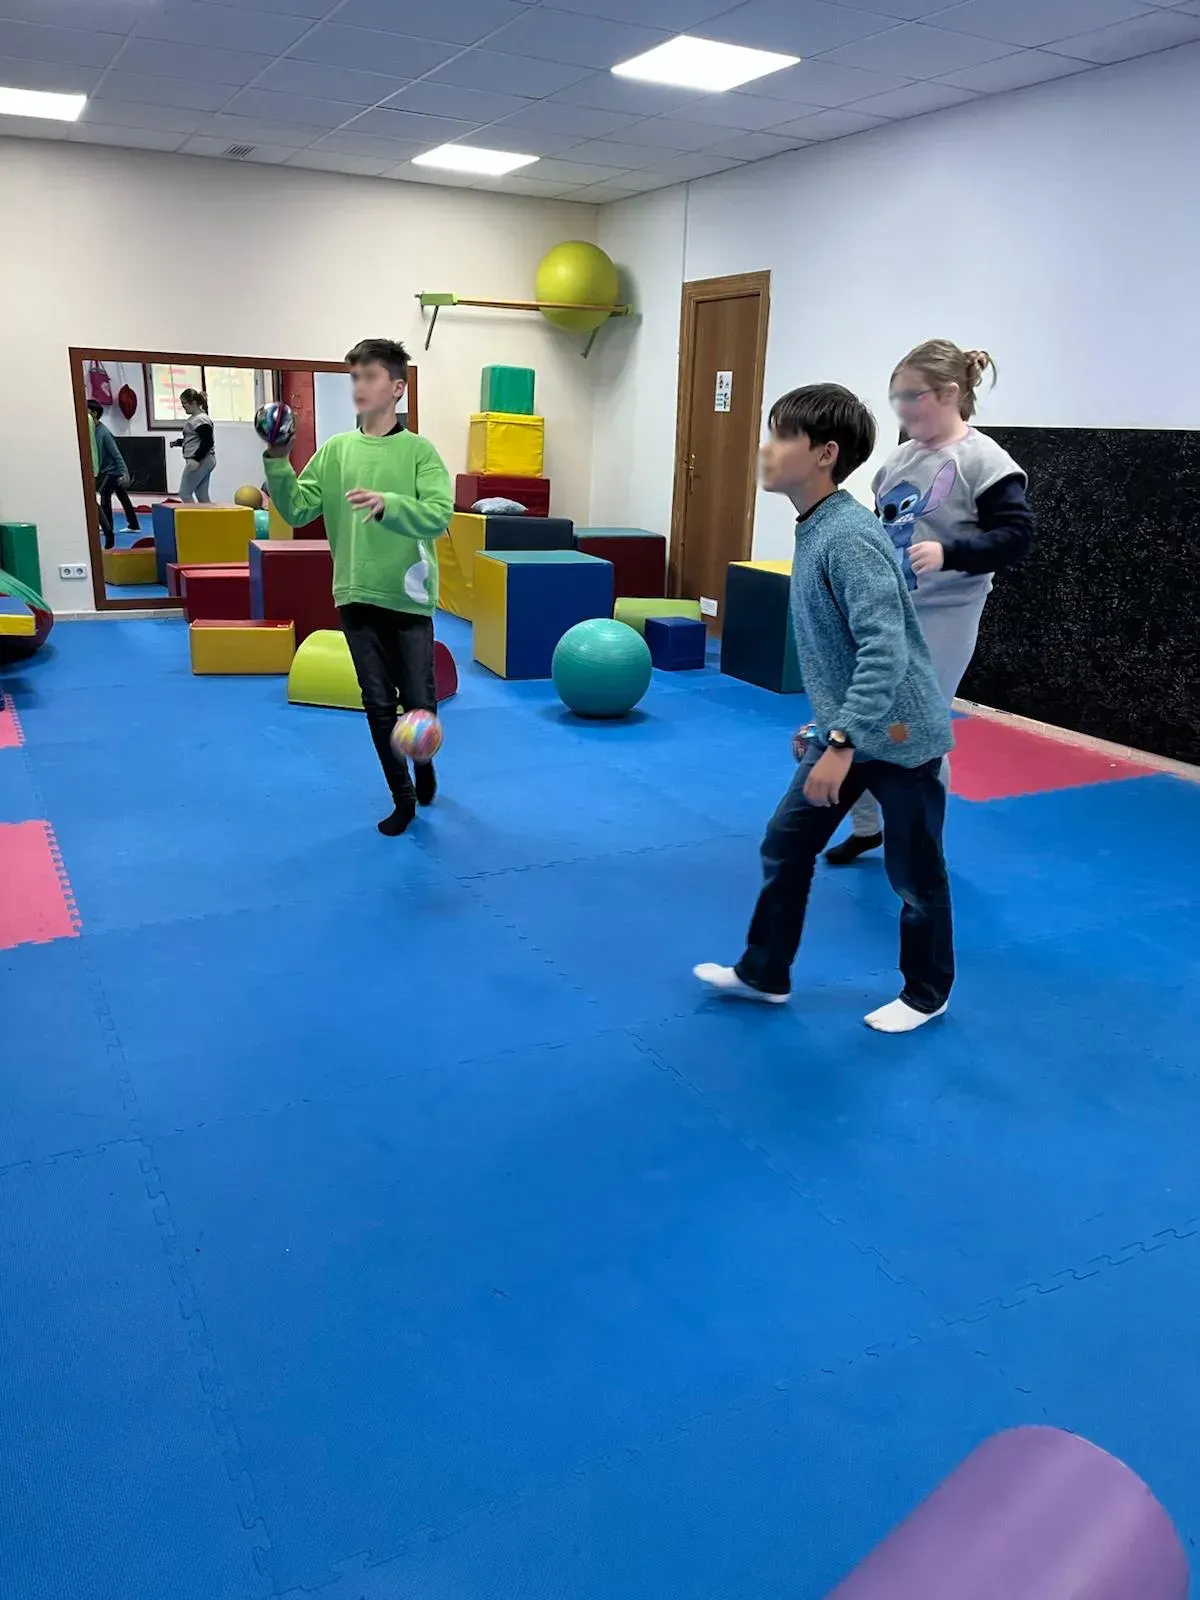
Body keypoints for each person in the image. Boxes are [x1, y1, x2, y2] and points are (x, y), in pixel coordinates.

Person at [695, 384, 955, 1034]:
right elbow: (841, 652)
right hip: (850, 729)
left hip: (899, 736)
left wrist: (839, 742)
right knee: (785, 844)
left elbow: (884, 650)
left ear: (824, 453)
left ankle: (927, 993)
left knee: (914, 876)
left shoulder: (847, 537)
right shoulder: (815, 526)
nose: (766, 449)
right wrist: (827, 728)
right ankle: (765, 973)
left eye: (781, 435)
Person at [826, 340, 1034, 865]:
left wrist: (950, 552)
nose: (901, 408)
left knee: (917, 728)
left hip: (946, 613)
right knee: (863, 716)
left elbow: (1016, 537)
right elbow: (884, 527)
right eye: (894, 397)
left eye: (911, 396)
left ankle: (921, 841)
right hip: (888, 608)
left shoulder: (984, 461)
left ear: (950, 393)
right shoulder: (899, 460)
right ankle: (870, 826)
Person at [262, 338, 453, 837]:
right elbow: (299, 508)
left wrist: (389, 502)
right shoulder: (336, 451)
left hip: (409, 597)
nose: (359, 387)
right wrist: (278, 461)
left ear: (396, 388)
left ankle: (424, 762)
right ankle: (403, 797)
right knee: (375, 702)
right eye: (354, 377)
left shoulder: (419, 452)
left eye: (370, 377)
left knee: (418, 701)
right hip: (354, 593)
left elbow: (437, 515)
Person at [87, 399, 140, 548]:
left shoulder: (104, 433)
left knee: (104, 494)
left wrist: (124, 472)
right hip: (107, 469)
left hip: (113, 471)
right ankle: (134, 524)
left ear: (94, 414)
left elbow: (116, 454)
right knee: (122, 496)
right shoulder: (93, 431)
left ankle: (107, 527)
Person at [171, 388, 216, 503]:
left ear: (194, 403)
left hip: (201, 460)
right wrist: (179, 443)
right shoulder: (196, 418)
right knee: (202, 495)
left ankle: (195, 520)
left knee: (184, 493)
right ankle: (208, 520)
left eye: (184, 403)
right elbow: (194, 439)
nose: (183, 406)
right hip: (205, 460)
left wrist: (196, 459)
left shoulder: (200, 419)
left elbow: (207, 442)